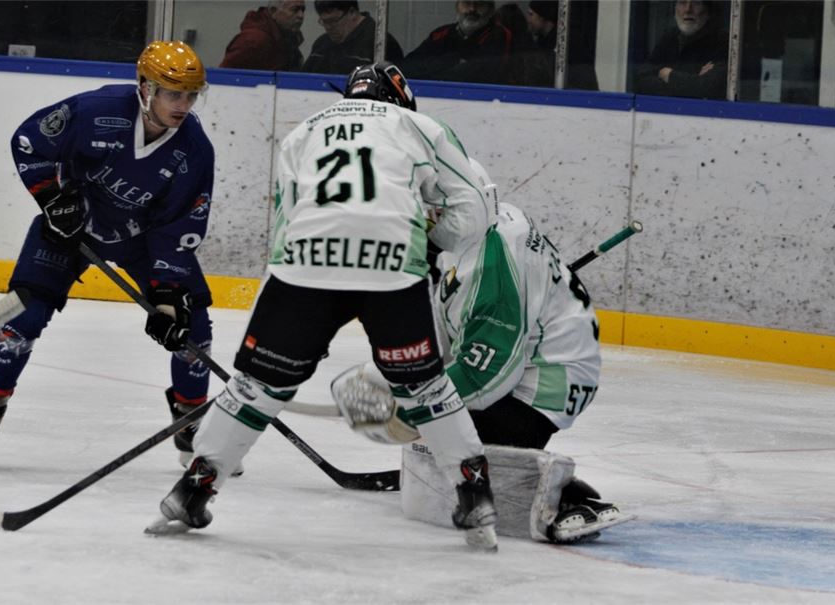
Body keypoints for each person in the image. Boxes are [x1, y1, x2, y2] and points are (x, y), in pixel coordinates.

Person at [150, 62, 500, 551]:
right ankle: (474, 490)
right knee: (425, 387)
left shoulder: (304, 132)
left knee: (258, 387)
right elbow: (477, 213)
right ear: (399, 98)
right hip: (391, 260)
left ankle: (195, 487)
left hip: (305, 265)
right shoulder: (421, 126)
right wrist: (430, 239)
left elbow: (286, 221)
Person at [331, 161, 631, 544]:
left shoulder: (492, 264)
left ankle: (557, 495)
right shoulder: (479, 229)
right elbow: (450, 329)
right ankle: (515, 470)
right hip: (531, 362)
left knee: (449, 439)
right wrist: (407, 382)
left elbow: (489, 376)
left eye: (426, 212)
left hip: (543, 383)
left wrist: (413, 410)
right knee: (437, 435)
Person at [0, 41, 216, 468]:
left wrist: (167, 293)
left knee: (191, 325)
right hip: (70, 228)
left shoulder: (194, 150)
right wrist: (52, 198)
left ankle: (191, 422)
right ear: (145, 88)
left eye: (191, 95)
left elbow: (178, 223)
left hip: (141, 241)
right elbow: (30, 142)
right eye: (173, 93)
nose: (184, 104)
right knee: (23, 318)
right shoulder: (96, 110)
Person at [400, 0, 513, 85]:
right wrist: (451, 61)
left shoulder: (499, 35)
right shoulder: (440, 34)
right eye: (467, 3)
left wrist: (435, 67)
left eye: (479, 4)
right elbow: (408, 67)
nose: (472, 9)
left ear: (490, 9)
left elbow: (482, 75)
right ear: (457, 6)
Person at [634, 0, 728, 99]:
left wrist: (668, 74)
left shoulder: (722, 42)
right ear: (675, 9)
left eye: (696, 3)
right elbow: (642, 80)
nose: (688, 10)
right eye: (682, 2)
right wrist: (692, 81)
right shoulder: (670, 37)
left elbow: (709, 89)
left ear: (708, 11)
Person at [302, 1, 403, 75]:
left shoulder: (380, 43)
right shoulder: (322, 44)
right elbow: (303, 79)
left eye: (333, 21)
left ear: (352, 13)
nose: (328, 28)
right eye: (324, 22)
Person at [520, 0, 599, 90]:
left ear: (542, 17)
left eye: (531, 14)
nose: (528, 20)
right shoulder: (542, 43)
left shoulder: (568, 44)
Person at [220, 0, 307, 71]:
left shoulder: (288, 40)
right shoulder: (253, 41)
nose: (301, 15)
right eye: (294, 9)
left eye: (303, 10)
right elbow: (223, 77)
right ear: (273, 11)